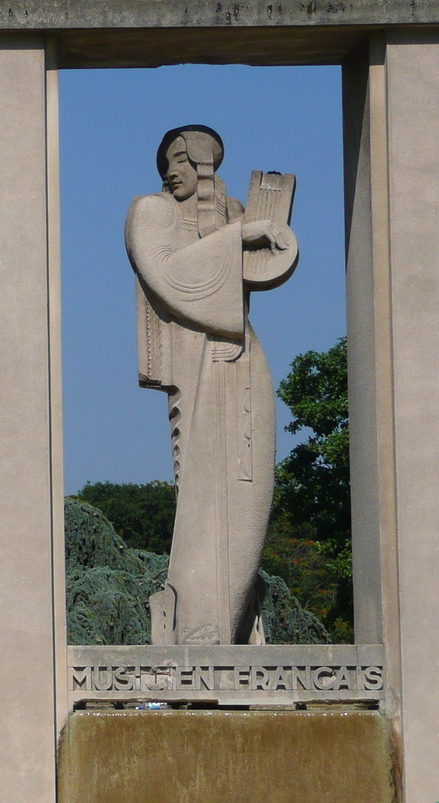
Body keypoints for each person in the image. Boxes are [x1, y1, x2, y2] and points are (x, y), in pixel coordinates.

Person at [124, 125, 294, 645]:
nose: (171, 171)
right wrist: (235, 237)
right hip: (197, 358)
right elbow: (169, 274)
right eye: (167, 162)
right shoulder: (151, 211)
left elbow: (258, 272)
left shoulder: (233, 210)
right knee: (203, 485)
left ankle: (233, 625)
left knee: (249, 481)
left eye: (181, 159)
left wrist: (266, 229)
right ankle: (200, 626)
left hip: (239, 350)